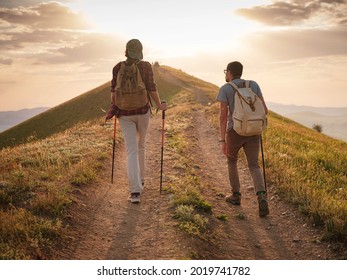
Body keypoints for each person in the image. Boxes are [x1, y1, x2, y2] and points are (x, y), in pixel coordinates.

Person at [106, 39, 167, 203]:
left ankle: (135, 192)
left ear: (126, 51)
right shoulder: (146, 66)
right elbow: (152, 88)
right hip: (142, 112)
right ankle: (141, 180)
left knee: (131, 150)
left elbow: (113, 94)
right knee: (141, 146)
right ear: (140, 52)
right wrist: (160, 105)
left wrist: (116, 106)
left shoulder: (117, 68)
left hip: (124, 114)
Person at [216, 61, 269, 217]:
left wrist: (222, 140)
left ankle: (236, 195)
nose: (225, 74)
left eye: (226, 71)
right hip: (253, 132)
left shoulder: (226, 88)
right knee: (254, 165)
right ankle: (261, 197)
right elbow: (264, 110)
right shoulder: (254, 85)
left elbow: (223, 116)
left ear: (230, 73)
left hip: (235, 131)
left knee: (232, 161)